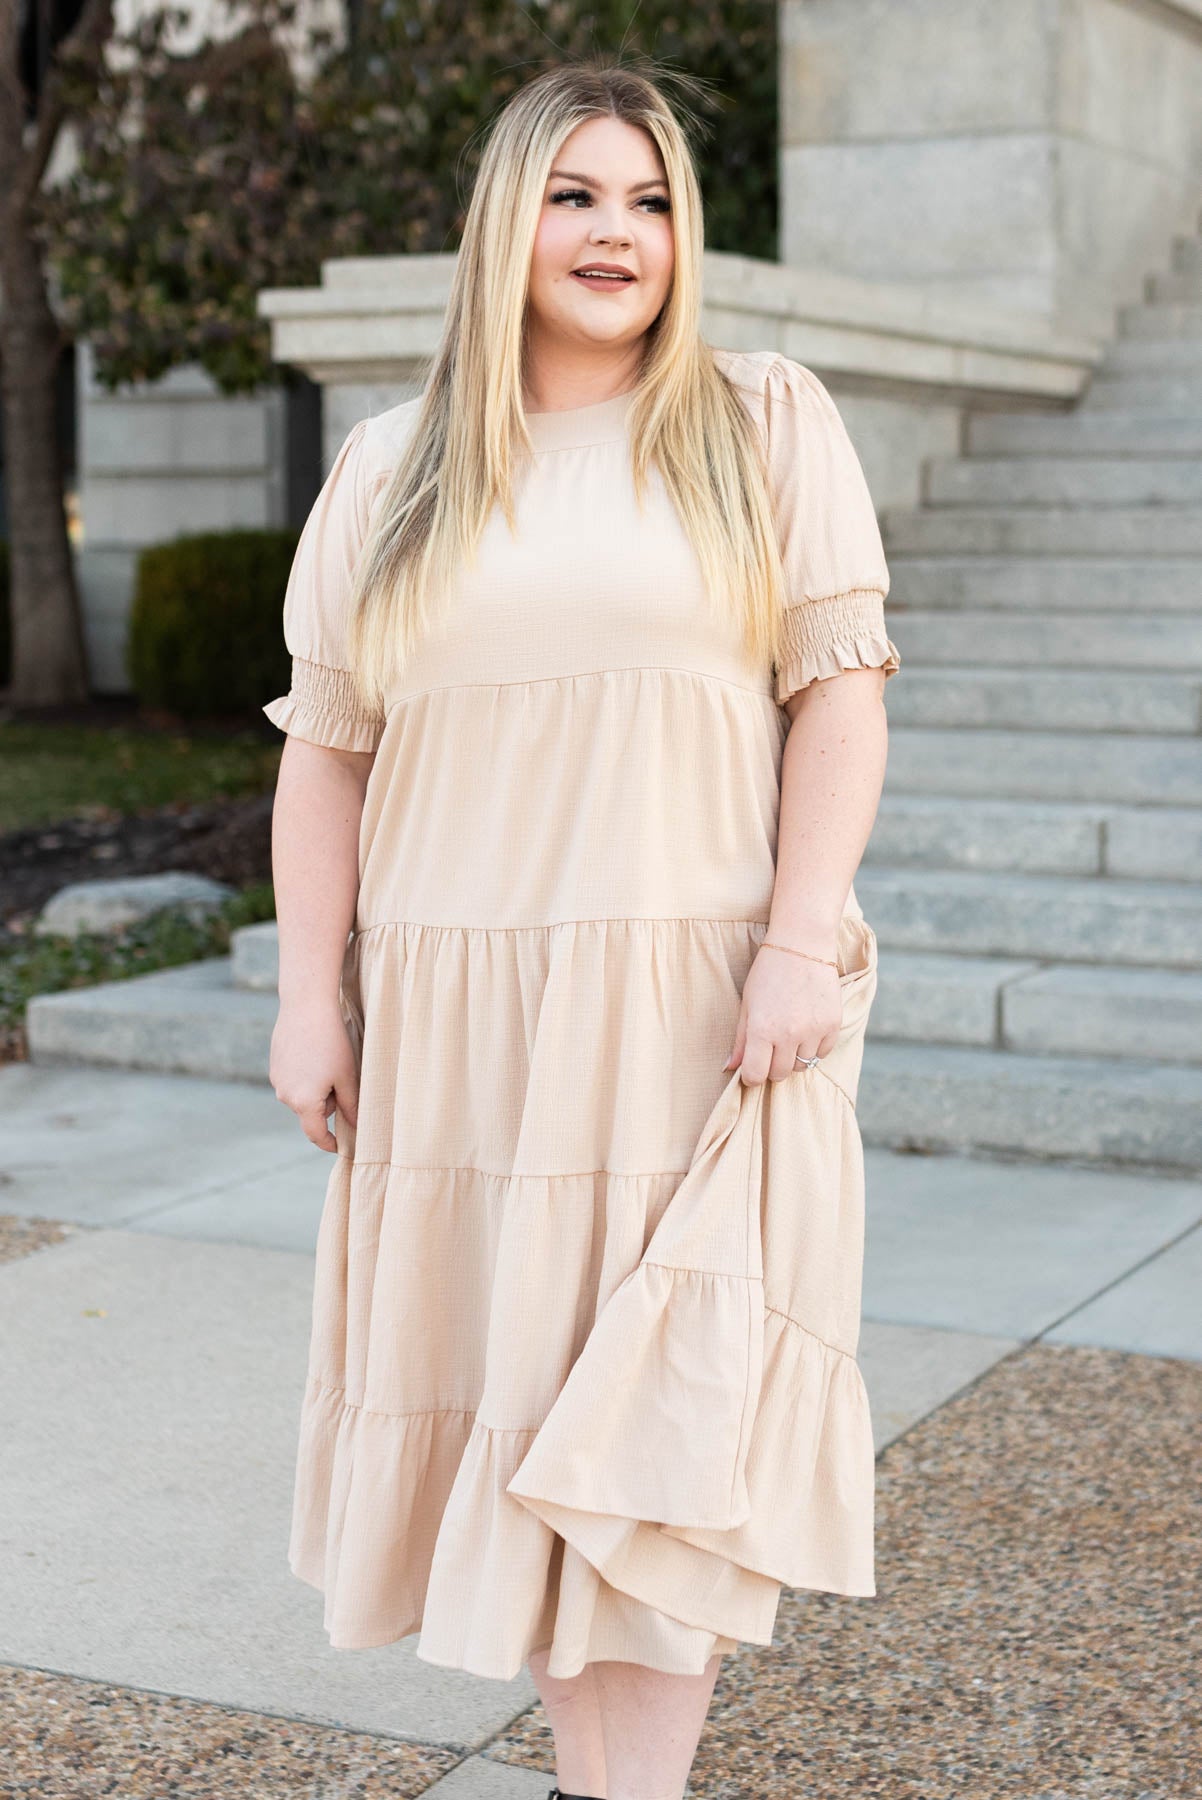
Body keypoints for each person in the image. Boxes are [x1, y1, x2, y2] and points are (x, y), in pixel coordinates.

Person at [263, 53, 901, 1800]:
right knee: (536, 1435)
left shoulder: (762, 419)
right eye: (574, 194)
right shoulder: (393, 470)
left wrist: (796, 938)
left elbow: (837, 701)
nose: (615, 232)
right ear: (505, 223)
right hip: (462, 1031)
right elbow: (327, 754)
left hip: (688, 1011)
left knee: (658, 1437)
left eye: (649, 200)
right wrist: (307, 998)